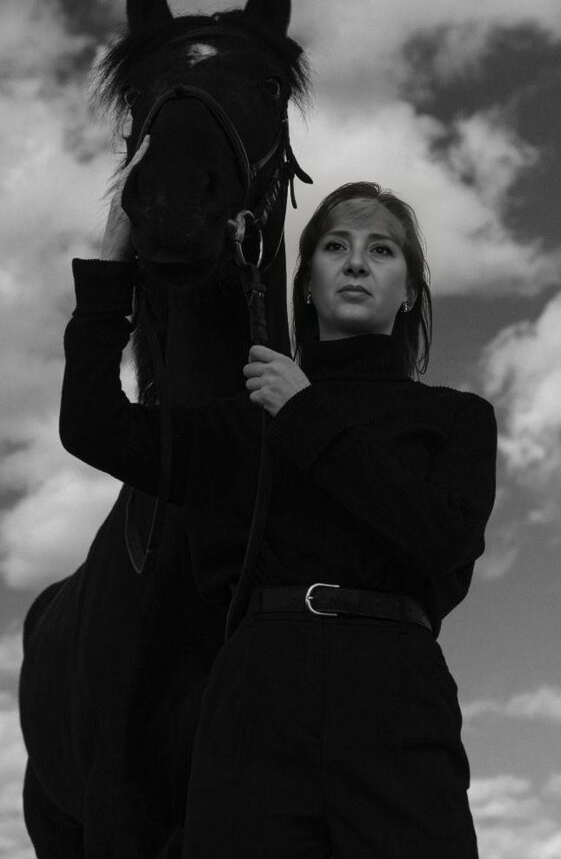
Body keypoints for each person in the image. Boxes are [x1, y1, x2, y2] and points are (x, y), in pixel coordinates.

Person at [60, 143, 497, 858]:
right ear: (306, 285)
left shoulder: (457, 419)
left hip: (396, 693)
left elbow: (441, 541)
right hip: (255, 701)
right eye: (335, 246)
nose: (356, 263)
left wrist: (304, 413)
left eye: (382, 250)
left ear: (410, 292)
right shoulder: (242, 420)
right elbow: (91, 427)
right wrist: (112, 273)